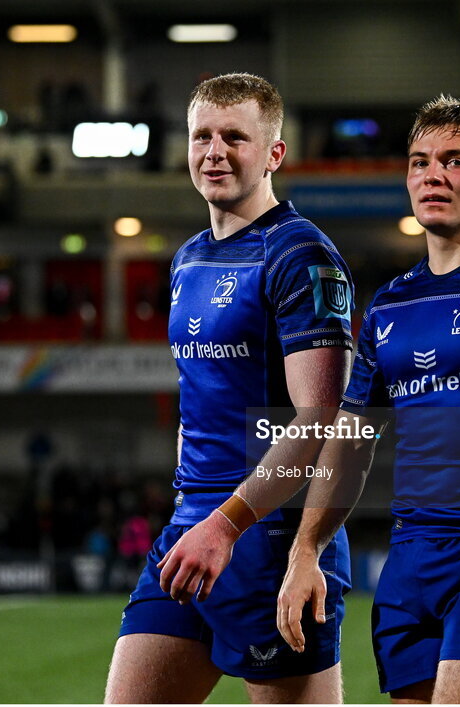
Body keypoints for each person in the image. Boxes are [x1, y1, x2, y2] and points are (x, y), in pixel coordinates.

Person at [165, 95, 460, 703]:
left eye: (457, 161)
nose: (433, 174)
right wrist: (307, 549)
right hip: (409, 563)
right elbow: (350, 443)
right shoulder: (389, 304)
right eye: (420, 161)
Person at [104, 73, 354, 704]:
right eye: (202, 136)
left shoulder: (302, 257)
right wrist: (198, 511)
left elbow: (321, 418)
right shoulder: (187, 257)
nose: (214, 151)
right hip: (192, 525)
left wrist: (228, 525)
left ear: (274, 153)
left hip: (268, 533)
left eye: (234, 137)